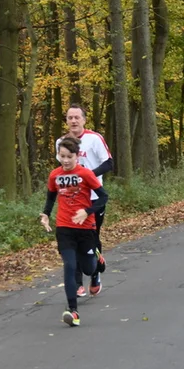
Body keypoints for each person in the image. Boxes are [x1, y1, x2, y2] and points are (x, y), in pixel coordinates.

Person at [40, 136, 109, 327]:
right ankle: (73, 310)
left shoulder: (86, 174)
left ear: (77, 156)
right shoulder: (54, 175)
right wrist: (45, 214)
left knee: (88, 268)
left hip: (86, 228)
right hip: (64, 228)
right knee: (69, 266)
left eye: (69, 156)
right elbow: (51, 197)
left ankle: (97, 258)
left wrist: (87, 211)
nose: (65, 160)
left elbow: (104, 197)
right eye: (62, 156)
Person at [56, 105, 114, 297]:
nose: (73, 121)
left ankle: (95, 272)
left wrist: (87, 176)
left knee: (92, 238)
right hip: (72, 201)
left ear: (84, 120)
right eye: (69, 118)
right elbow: (62, 170)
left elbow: (109, 163)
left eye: (76, 117)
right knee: (74, 240)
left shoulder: (94, 139)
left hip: (94, 199)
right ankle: (78, 282)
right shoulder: (61, 142)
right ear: (66, 121)